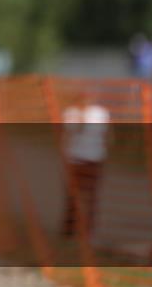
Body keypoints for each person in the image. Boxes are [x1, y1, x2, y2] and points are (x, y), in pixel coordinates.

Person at [60, 90, 111, 239]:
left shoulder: (100, 113)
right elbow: (70, 132)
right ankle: (70, 230)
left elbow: (106, 135)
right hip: (76, 159)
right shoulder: (71, 113)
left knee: (90, 197)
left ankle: (87, 231)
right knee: (73, 196)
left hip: (93, 159)